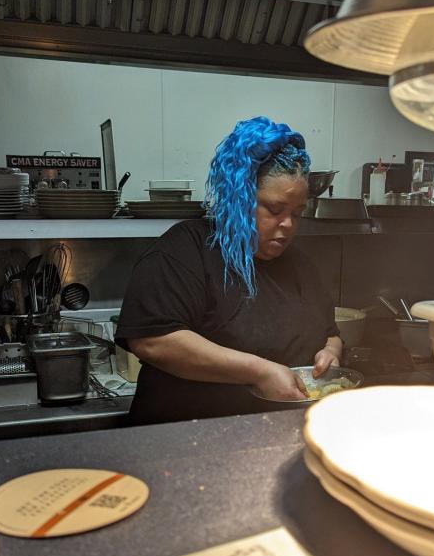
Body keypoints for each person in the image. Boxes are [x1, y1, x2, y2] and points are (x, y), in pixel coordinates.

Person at [115, 116, 342, 425]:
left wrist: (331, 355)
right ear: (240, 199)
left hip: (269, 435)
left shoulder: (300, 265)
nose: (287, 225)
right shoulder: (187, 249)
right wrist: (260, 371)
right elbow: (154, 340)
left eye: (297, 214)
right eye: (274, 210)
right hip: (184, 436)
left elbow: (331, 334)